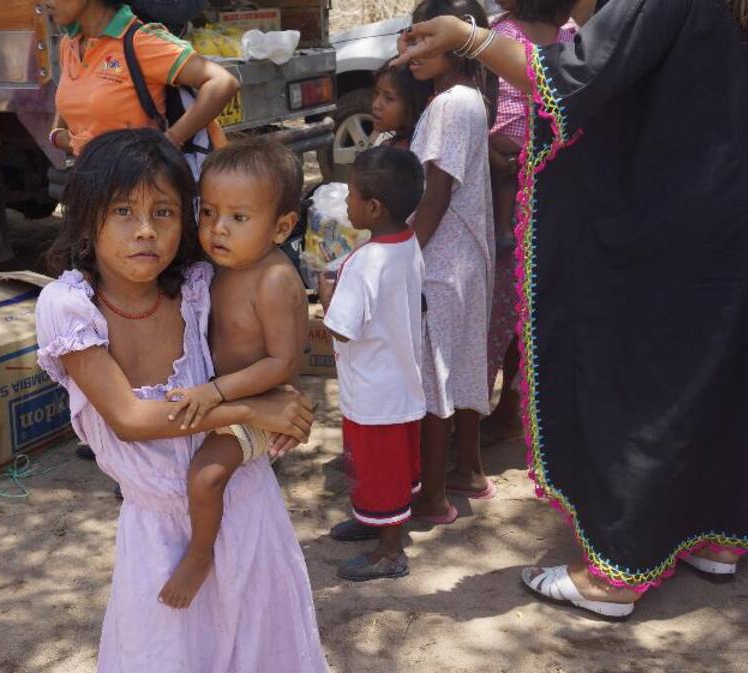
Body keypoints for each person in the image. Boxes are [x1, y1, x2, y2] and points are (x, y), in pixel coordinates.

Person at [396, 0, 748, 617]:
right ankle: (717, 539)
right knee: (742, 369)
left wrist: (468, 38)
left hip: (701, 212)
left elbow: (565, 77)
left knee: (651, 381)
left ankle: (615, 574)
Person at [35, 128, 329, 673]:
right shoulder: (69, 307)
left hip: (246, 510)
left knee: (260, 650)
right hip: (157, 537)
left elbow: (265, 321)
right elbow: (128, 419)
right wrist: (248, 409)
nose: (145, 231)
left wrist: (282, 398)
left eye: (165, 213)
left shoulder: (197, 283)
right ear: (86, 215)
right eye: (123, 211)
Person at [156, 139, 309, 608]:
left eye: (239, 218)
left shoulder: (274, 278)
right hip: (222, 396)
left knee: (205, 477)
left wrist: (216, 391)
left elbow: (281, 362)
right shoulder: (218, 266)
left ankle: (200, 557)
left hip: (261, 407)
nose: (218, 229)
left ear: (282, 227)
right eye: (209, 213)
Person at [404, 0, 498, 520]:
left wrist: (397, 258)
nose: (414, 50)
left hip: (441, 260)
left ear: (457, 41)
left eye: (425, 40)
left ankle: (434, 497)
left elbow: (436, 193)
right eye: (410, 39)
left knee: (434, 380)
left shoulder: (448, 106)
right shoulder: (468, 97)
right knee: (459, 368)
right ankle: (470, 471)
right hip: (459, 259)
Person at [318, 146, 428, 581]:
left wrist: (327, 297)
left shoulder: (365, 262)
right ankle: (374, 521)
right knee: (390, 466)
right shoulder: (407, 241)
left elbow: (343, 328)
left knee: (378, 468)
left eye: (351, 195)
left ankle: (389, 551)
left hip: (372, 392)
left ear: (374, 207)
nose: (346, 203)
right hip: (399, 381)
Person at [482, 0, 577, 446]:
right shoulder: (570, 34)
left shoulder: (498, 33)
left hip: (523, 179)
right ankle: (510, 405)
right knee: (521, 303)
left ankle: (507, 407)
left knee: (515, 301)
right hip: (532, 178)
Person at [46, 0, 238, 157]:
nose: (44, 2)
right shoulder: (69, 45)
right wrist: (59, 137)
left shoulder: (141, 42)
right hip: (91, 189)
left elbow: (222, 82)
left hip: (140, 191)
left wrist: (169, 141)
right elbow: (69, 108)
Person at [370, 58, 433, 149]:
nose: (376, 105)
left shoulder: (396, 152)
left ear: (415, 103)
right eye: (376, 93)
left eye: (389, 98)